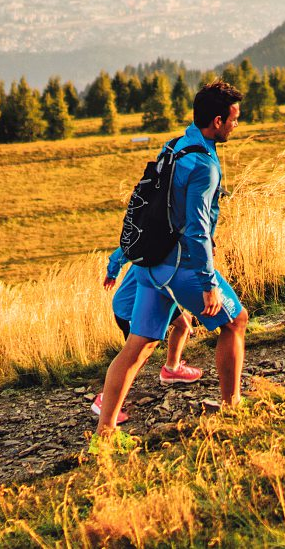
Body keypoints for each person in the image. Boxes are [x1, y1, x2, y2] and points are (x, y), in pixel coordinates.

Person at [93, 82, 250, 436]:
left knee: (139, 345)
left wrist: (121, 259)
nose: (237, 124)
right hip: (180, 268)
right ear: (217, 120)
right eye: (234, 119)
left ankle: (104, 434)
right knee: (235, 322)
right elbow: (195, 229)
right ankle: (232, 407)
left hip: (150, 267)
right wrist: (208, 284)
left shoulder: (175, 147)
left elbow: (148, 213)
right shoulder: (204, 165)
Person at [90, 246, 203, 425]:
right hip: (130, 308)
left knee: (184, 323)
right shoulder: (158, 248)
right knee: (136, 356)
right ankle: (105, 401)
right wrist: (111, 273)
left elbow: (121, 253)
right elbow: (124, 250)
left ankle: (171, 370)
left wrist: (112, 273)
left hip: (158, 297)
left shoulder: (165, 244)